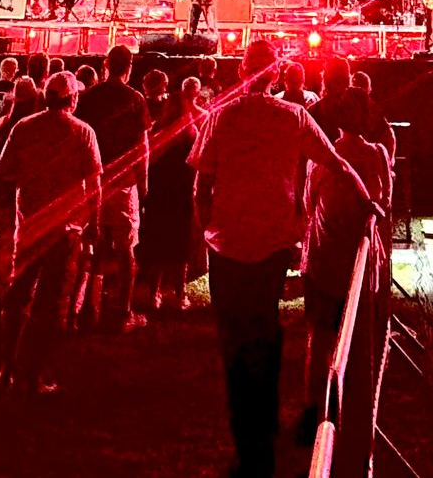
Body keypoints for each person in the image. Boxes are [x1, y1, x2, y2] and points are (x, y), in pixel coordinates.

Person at [192, 40, 384, 478]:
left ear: (242, 72)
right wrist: (368, 200)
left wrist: (206, 230)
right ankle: (265, 423)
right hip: (272, 243)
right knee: (263, 329)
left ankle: (251, 445)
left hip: (227, 243)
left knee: (235, 341)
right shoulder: (293, 117)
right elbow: (338, 164)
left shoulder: (223, 116)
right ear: (275, 76)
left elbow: (201, 183)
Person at [0, 71, 102, 393]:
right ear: (73, 99)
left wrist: (4, 213)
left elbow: (3, 174)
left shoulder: (24, 128)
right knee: (49, 303)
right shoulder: (83, 132)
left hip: (29, 225)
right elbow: (95, 184)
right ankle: (33, 373)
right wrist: (93, 224)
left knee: (16, 298)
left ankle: (7, 366)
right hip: (64, 229)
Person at [298, 96, 391, 446]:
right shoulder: (377, 155)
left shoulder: (323, 157)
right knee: (357, 337)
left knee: (320, 337)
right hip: (359, 259)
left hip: (324, 255)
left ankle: (315, 410)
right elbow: (384, 198)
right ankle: (350, 411)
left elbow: (308, 202)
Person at [75, 44, 151, 333]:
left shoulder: (89, 97)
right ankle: (122, 310)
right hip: (122, 183)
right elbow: (142, 147)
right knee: (124, 248)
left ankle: (85, 307)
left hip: (92, 180)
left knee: (90, 244)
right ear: (129, 68)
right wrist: (143, 184)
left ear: (105, 65)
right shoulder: (135, 99)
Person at [143, 73, 206, 314]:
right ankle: (179, 295)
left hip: (160, 195)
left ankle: (153, 294)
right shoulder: (191, 135)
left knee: (158, 246)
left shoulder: (157, 132)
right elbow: (199, 163)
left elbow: (149, 162)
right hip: (182, 195)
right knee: (180, 248)